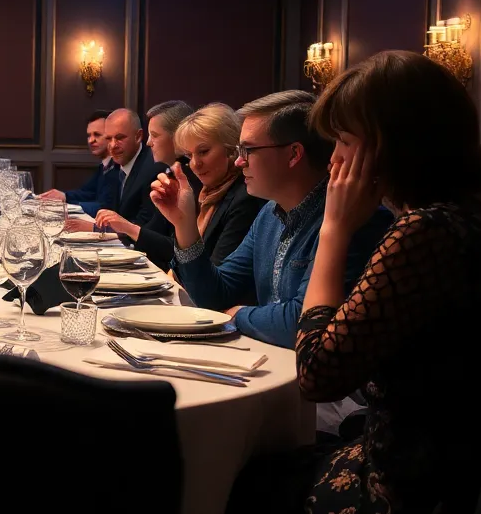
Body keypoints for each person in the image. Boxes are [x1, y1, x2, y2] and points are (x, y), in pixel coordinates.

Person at [213, 51, 481, 514]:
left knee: (236, 489)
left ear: (391, 145)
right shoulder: (479, 217)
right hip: (460, 470)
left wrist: (334, 229)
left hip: (412, 500)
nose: (332, 158)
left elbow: (318, 374)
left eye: (343, 141)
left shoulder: (424, 232)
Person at [152, 91, 391, 349]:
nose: (239, 161)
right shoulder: (269, 213)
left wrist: (237, 314)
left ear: (293, 154)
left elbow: (304, 321)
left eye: (248, 150)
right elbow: (215, 294)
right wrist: (184, 225)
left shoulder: (353, 217)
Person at [127, 104, 264, 272]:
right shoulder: (208, 192)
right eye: (189, 155)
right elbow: (178, 264)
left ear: (231, 148)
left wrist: (183, 224)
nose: (195, 164)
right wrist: (181, 223)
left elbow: (215, 279)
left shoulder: (245, 197)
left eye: (203, 151)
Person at [100, 100, 200, 269]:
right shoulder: (171, 174)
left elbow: (177, 251)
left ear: (179, 137)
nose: (148, 142)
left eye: (155, 135)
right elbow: (153, 231)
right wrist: (126, 228)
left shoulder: (193, 180)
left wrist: (128, 228)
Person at [65, 108, 163, 237]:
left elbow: (144, 227)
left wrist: (96, 228)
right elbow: (107, 208)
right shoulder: (115, 167)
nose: (112, 145)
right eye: (108, 139)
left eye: (119, 138)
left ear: (138, 136)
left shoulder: (152, 169)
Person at [40, 109, 111, 215]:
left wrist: (65, 207)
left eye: (97, 134)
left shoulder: (118, 167)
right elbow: (88, 193)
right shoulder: (104, 165)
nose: (91, 140)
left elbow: (106, 207)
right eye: (89, 135)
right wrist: (64, 196)